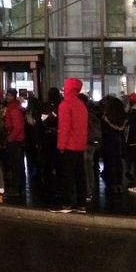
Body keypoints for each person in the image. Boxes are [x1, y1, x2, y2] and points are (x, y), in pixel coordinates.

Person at [50, 78, 88, 214]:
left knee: (67, 176)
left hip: (69, 146)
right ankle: (81, 204)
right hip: (79, 145)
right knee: (80, 175)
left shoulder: (65, 105)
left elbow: (64, 128)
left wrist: (61, 146)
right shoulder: (81, 105)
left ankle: (66, 203)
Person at [100, 96, 127, 193]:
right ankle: (119, 184)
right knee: (118, 163)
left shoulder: (106, 117)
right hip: (120, 142)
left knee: (109, 163)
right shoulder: (123, 116)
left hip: (109, 142)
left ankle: (112, 184)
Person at [3, 88, 26, 196]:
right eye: (7, 95)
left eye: (10, 95)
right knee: (17, 165)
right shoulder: (13, 107)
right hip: (16, 139)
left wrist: (9, 139)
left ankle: (16, 188)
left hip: (15, 140)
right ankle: (18, 187)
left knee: (16, 165)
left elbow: (17, 127)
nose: (8, 97)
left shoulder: (14, 109)